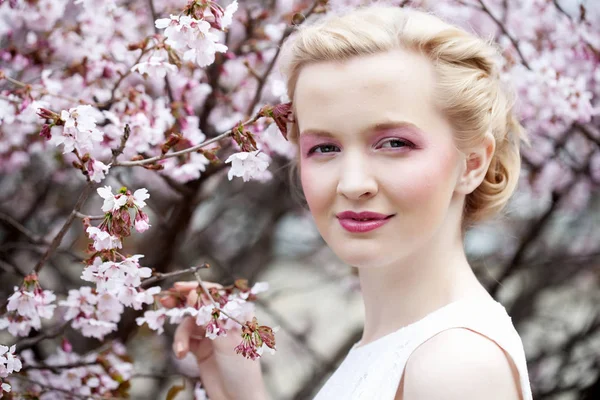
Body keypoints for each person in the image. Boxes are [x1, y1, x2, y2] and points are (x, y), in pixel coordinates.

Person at [161, 4, 533, 400]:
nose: (353, 184)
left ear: (472, 163)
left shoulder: (455, 366)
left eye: (394, 143)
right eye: (324, 147)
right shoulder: (401, 347)